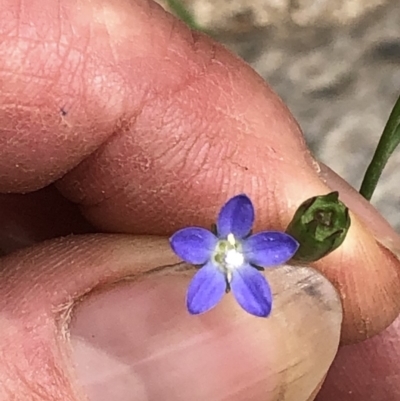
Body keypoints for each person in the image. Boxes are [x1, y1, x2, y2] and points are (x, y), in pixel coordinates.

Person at [0, 0, 399, 400]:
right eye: (226, 245)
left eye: (230, 246)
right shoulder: (216, 246)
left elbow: (274, 258)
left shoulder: (260, 253)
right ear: (224, 237)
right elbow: (207, 243)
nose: (228, 251)